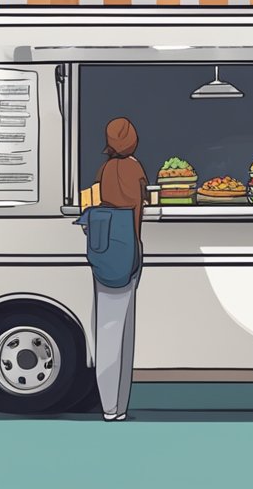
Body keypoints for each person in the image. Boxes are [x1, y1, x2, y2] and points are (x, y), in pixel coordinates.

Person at [93, 117, 147, 422]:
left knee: (107, 329)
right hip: (130, 250)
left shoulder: (104, 170)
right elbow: (143, 200)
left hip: (105, 252)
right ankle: (118, 406)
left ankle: (110, 406)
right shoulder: (135, 168)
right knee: (123, 331)